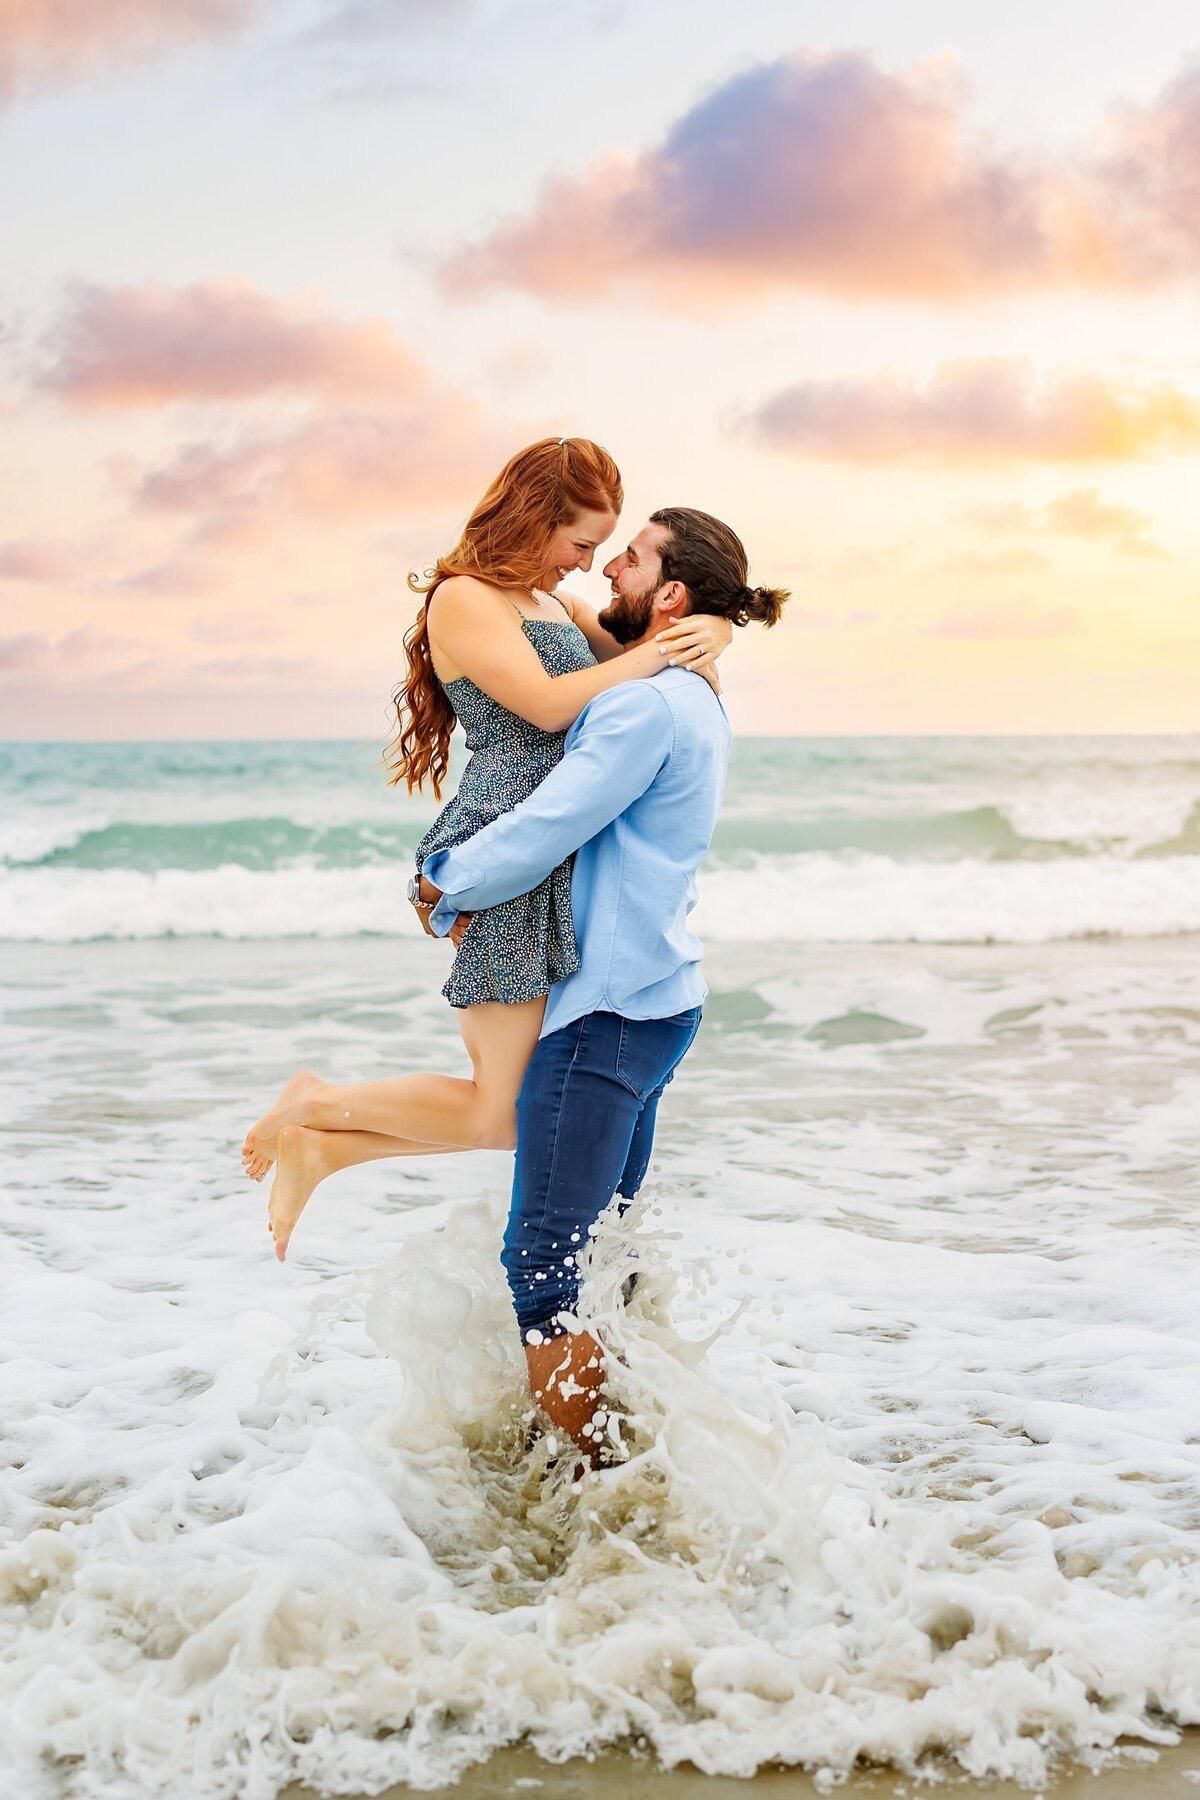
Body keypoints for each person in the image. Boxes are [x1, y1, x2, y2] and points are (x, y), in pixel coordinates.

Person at [284, 507, 789, 1455]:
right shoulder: (690, 691)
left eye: (631, 560)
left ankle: (595, 1481)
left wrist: (443, 883)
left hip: (605, 1011)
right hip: (658, 1002)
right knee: (606, 1259)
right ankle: (642, 1454)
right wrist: (714, 632)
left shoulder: (644, 705)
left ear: (670, 596)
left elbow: (553, 818)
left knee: (546, 1273)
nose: (609, 571)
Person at [240, 440, 732, 1255]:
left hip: (548, 856)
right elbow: (547, 706)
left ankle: (322, 1147)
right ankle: (315, 1104)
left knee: (511, 1110)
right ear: (536, 520)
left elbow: (648, 664)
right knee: (502, 1111)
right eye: (580, 543)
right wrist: (655, 652)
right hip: (506, 849)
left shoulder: (551, 604)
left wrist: (708, 629)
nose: (586, 567)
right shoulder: (466, 599)